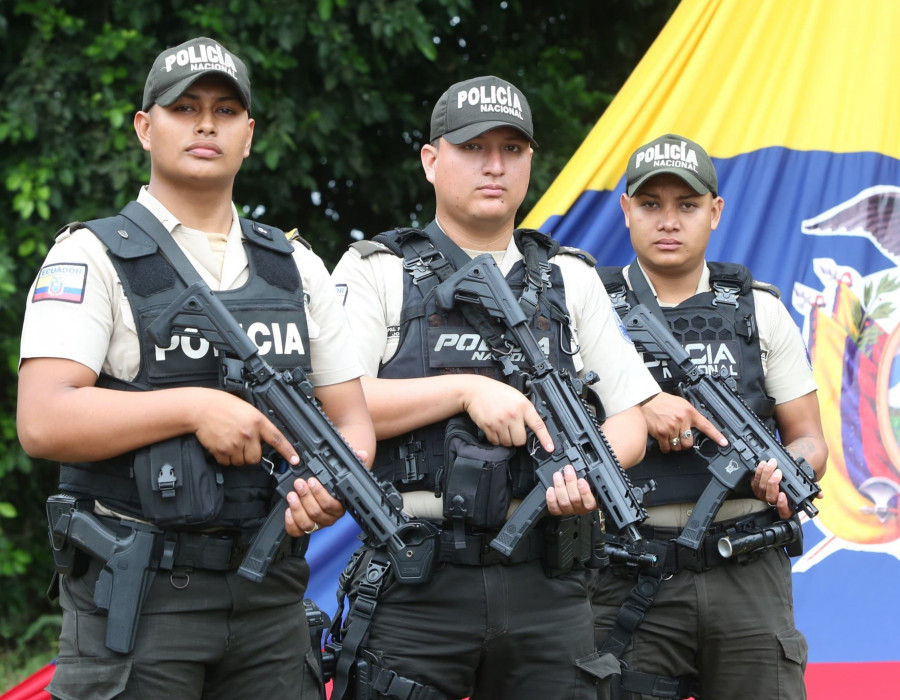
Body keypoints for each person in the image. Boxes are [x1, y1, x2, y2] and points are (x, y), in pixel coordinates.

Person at [16, 37, 374, 700]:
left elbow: (352, 421)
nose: (206, 123)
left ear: (248, 134)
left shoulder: (295, 267)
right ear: (146, 128)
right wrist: (193, 408)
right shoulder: (92, 255)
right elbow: (43, 419)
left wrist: (331, 488)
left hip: (272, 604)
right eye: (184, 107)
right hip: (139, 601)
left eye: (226, 109)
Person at [328, 75, 660, 700]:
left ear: (530, 161)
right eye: (474, 148)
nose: (494, 166)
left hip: (550, 579)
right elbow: (339, 404)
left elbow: (631, 418)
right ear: (431, 160)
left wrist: (592, 473)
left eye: (511, 150)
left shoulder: (570, 278)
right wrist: (464, 392)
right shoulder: (378, 269)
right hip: (417, 573)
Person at [594, 133, 828, 699]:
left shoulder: (760, 310)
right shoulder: (587, 309)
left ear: (715, 212)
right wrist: (639, 409)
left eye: (688, 205)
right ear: (626, 210)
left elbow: (810, 440)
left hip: (746, 562)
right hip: (628, 565)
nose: (668, 221)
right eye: (650, 205)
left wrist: (787, 471)